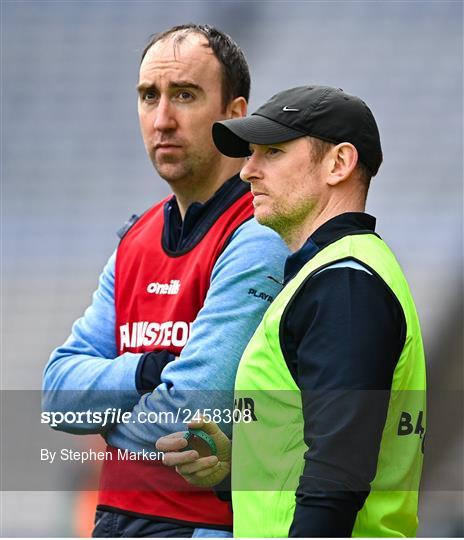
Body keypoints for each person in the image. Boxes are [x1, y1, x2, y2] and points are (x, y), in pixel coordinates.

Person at [42, 24, 288, 538]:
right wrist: (147, 373)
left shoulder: (258, 235)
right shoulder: (134, 240)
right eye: (148, 96)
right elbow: (55, 395)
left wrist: (105, 422)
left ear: (235, 116)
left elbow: (194, 414)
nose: (162, 119)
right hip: (113, 521)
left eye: (185, 95)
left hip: (200, 524)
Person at [158, 85, 427, 537]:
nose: (247, 171)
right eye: (250, 154)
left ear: (339, 163)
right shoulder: (335, 273)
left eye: (273, 152)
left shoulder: (344, 284)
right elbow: (319, 450)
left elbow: (337, 476)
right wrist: (236, 468)